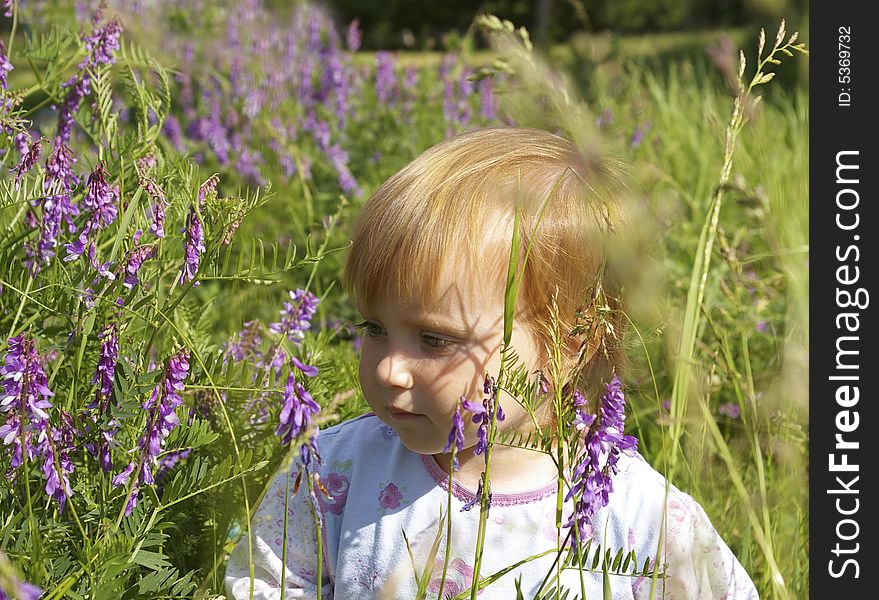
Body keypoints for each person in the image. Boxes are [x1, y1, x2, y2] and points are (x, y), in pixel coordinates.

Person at [224, 127, 758, 599]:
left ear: (574, 343)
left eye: (434, 340)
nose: (389, 369)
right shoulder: (334, 470)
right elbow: (262, 583)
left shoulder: (643, 518)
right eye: (374, 329)